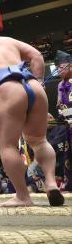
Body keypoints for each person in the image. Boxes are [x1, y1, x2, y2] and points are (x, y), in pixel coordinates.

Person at [0, 31, 64, 207]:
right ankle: (52, 183)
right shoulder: (7, 40)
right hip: (33, 84)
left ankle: (23, 196)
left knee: (7, 145)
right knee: (39, 140)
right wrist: (40, 81)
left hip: (6, 87)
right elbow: (36, 56)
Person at [55, 50, 72, 191]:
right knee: (68, 156)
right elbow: (59, 105)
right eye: (58, 68)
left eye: (62, 68)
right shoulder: (60, 85)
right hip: (67, 125)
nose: (59, 71)